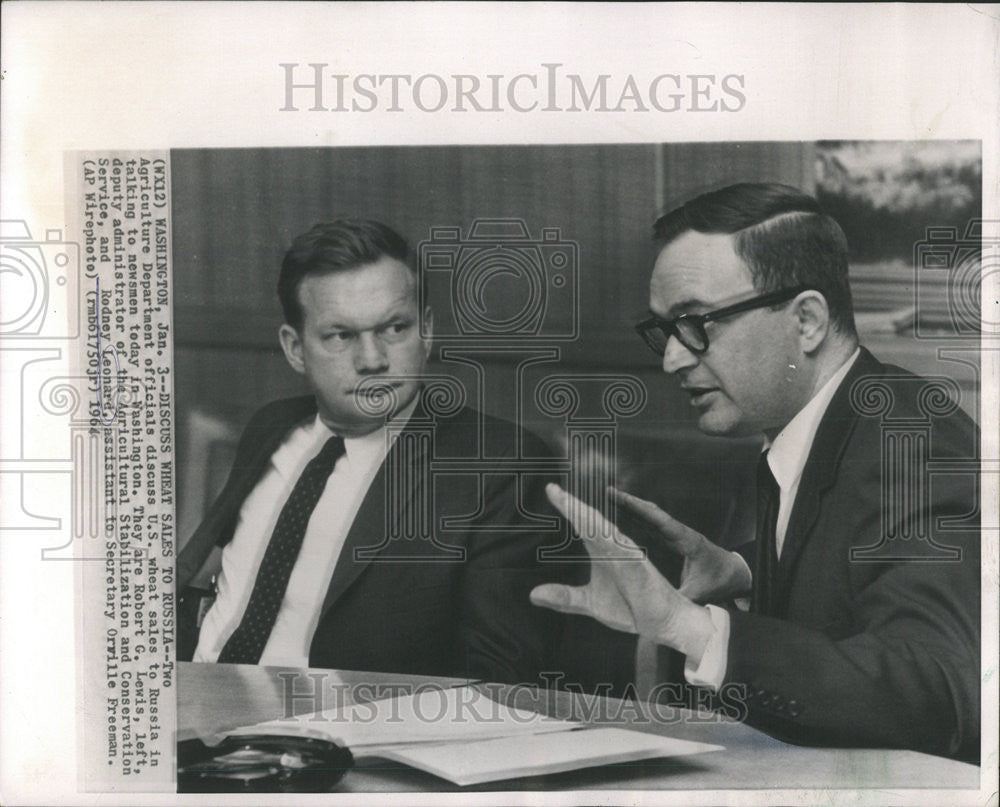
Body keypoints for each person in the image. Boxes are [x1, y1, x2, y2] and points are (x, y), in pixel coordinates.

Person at [531, 183, 980, 760]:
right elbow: (857, 559)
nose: (671, 358)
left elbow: (941, 690)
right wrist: (746, 569)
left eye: (696, 323)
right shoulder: (834, 420)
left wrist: (687, 626)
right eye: (664, 330)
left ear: (808, 321)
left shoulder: (914, 444)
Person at [176, 219, 566, 684]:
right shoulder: (271, 426)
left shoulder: (499, 464)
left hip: (334, 735)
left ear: (427, 330)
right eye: (341, 336)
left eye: (394, 328)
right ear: (296, 348)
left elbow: (499, 678)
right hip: (188, 704)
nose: (373, 360)